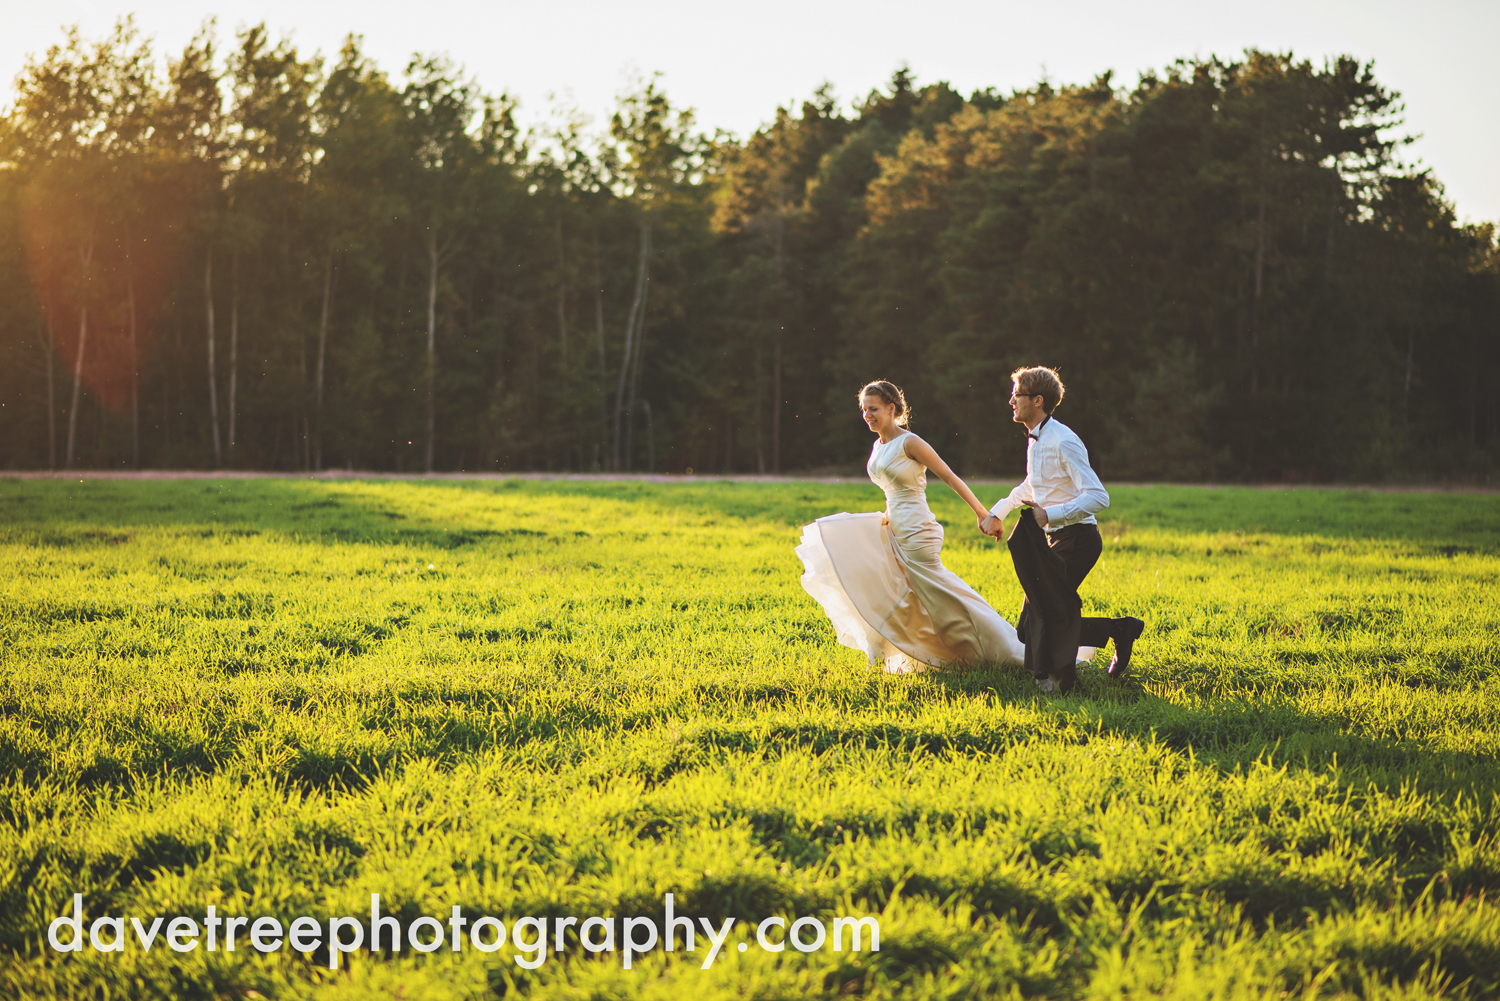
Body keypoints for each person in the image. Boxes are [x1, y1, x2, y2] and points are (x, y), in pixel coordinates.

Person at [796, 381, 1024, 673]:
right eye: (864, 409)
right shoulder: (878, 445)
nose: (867, 415)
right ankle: (902, 651)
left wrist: (983, 514)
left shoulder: (910, 442)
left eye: (874, 409)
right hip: (894, 527)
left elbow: (950, 476)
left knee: (942, 596)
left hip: (917, 529)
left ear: (891, 409)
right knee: (894, 592)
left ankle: (1004, 649)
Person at [980, 366, 1144, 691]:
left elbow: (1098, 496)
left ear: (1037, 400)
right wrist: (999, 511)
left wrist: (1051, 515)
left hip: (1078, 539)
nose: (1011, 400)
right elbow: (1033, 486)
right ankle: (1118, 630)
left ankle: (1064, 683)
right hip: (1057, 538)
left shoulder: (1063, 440)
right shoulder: (1037, 440)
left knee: (1050, 617)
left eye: (1017, 395)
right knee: (1028, 627)